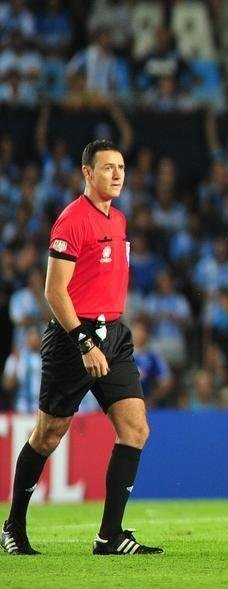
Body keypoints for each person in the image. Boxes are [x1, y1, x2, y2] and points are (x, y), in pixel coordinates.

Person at [2, 139, 162, 556]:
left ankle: (110, 536)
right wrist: (84, 341)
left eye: (122, 167)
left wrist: (105, 340)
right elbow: (55, 292)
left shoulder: (120, 219)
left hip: (115, 335)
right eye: (107, 168)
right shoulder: (72, 221)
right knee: (48, 435)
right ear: (87, 173)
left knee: (135, 428)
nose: (117, 175)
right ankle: (13, 526)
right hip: (74, 336)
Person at [4, 327, 42, 414]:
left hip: (41, 408)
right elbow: (7, 386)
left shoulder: (46, 358)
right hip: (21, 407)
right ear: (26, 340)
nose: (33, 342)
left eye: (36, 339)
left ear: (41, 340)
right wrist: (16, 364)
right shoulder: (15, 358)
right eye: (31, 338)